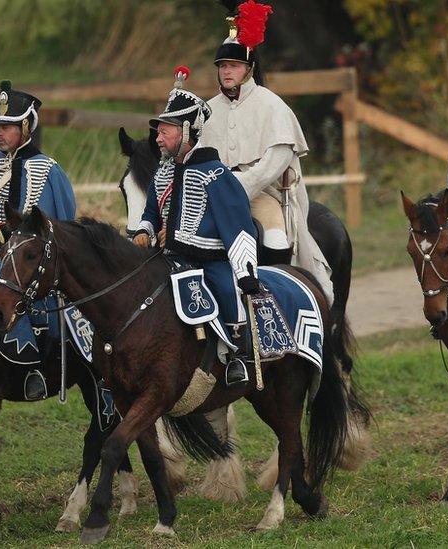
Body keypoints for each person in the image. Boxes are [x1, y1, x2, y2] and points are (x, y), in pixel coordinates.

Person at [199, 0, 334, 303]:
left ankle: (275, 295)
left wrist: (241, 186)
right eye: (222, 67)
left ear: (249, 69)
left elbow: (278, 158)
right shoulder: (207, 110)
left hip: (262, 194)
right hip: (215, 195)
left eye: (232, 66)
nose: (226, 72)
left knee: (275, 235)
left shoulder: (271, 104)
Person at [133, 67, 261, 386]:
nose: (158, 139)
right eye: (158, 132)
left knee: (226, 289)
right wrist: (143, 231)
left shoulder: (218, 177)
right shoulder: (162, 174)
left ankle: (238, 355)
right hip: (167, 259)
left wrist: (245, 272)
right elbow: (150, 212)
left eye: (165, 132)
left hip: (209, 262)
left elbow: (238, 228)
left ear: (187, 131)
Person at [0, 80, 76, 254]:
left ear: (25, 127)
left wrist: (1, 234)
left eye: (5, 127)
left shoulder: (47, 170)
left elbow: (41, 222)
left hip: (23, 258)